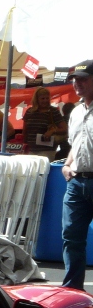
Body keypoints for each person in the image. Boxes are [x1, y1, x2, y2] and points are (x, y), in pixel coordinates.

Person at [60, 61, 93, 290]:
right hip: (77, 181)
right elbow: (75, 144)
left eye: (83, 79)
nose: (77, 83)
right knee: (71, 237)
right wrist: (67, 164)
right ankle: (72, 292)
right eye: (74, 79)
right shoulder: (76, 111)